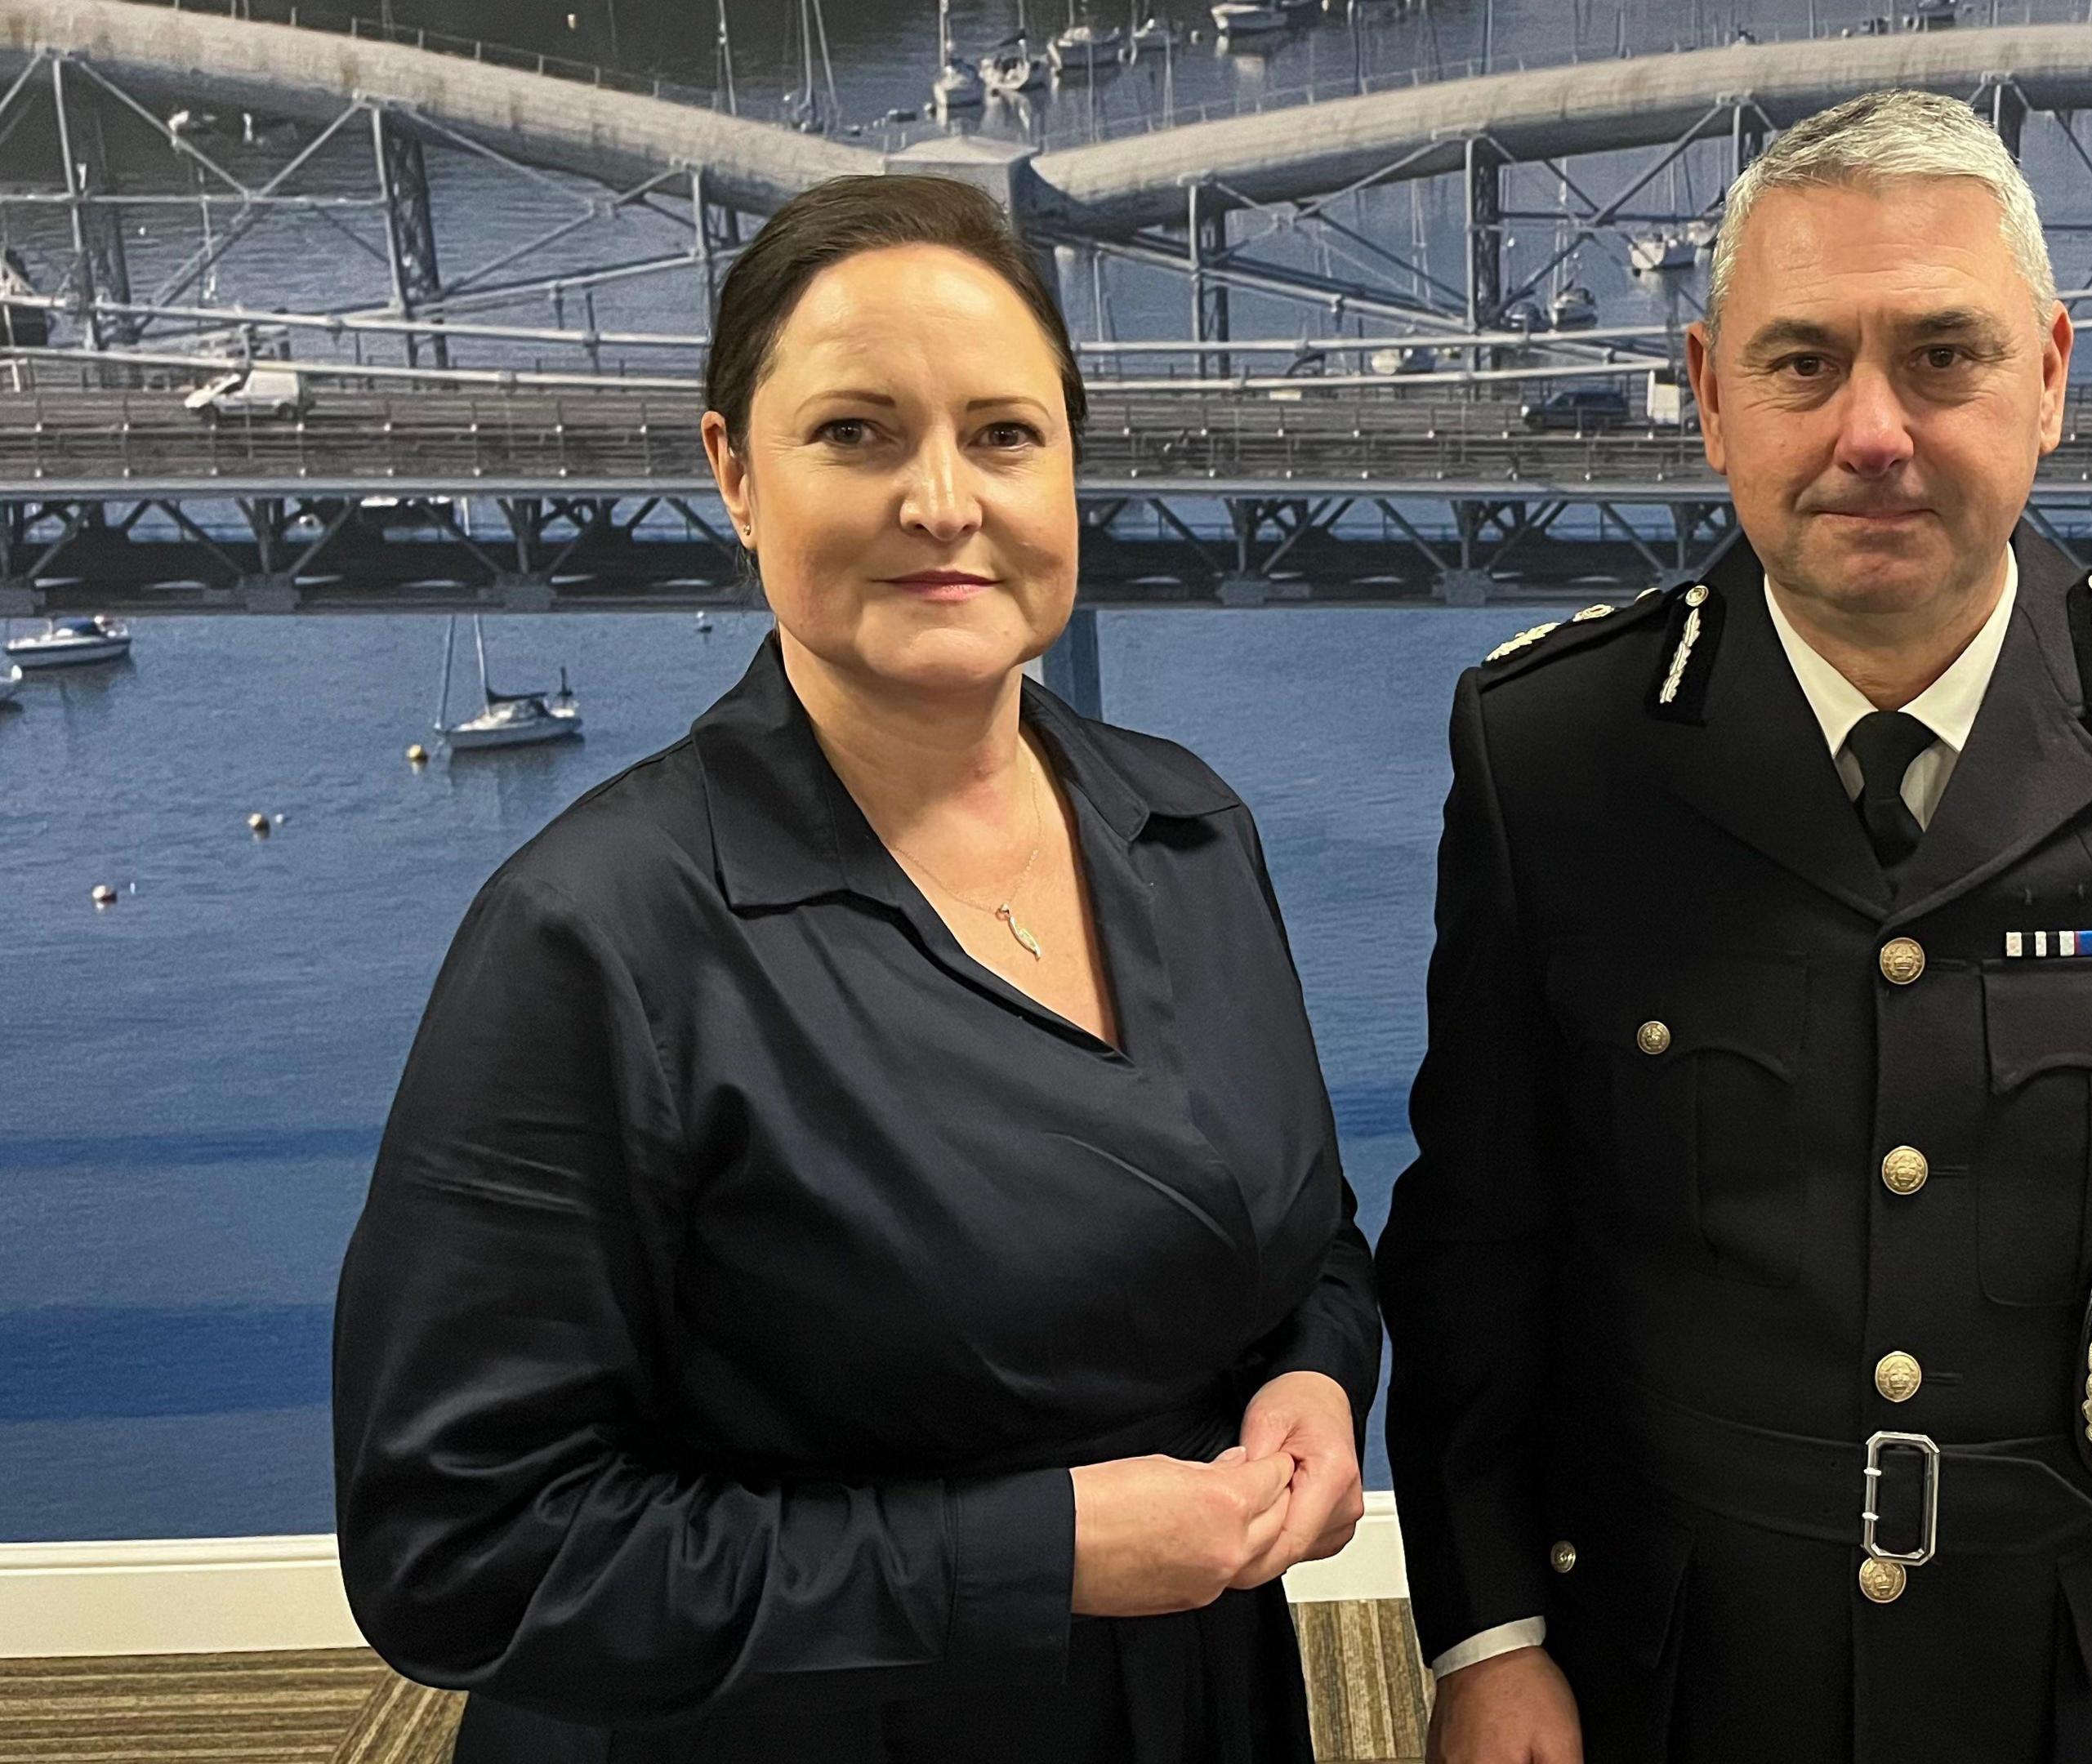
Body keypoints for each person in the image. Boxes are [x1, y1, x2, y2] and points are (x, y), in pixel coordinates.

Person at [1378, 91, 2092, 1762]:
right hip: (1680, 1670)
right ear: (1706, 393)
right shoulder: (1550, 752)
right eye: (1800, 361)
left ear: (2049, 377)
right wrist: (1486, 1630)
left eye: (1941, 357)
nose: (1872, 430)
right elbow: (1478, 1235)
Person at [331, 174, 1378, 1763]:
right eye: (857, 433)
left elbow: (1304, 1240)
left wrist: (1314, 1379)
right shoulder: (596, 935)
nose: (943, 500)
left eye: (1005, 435)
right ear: (732, 472)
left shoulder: (1190, 826)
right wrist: (1041, 1556)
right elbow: (459, 1555)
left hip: (1191, 1702)